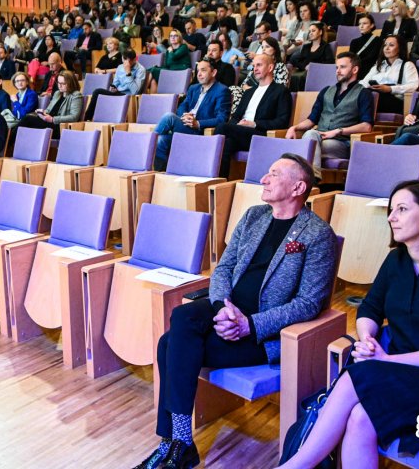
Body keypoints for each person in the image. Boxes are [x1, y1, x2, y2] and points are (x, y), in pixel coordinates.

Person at [136, 154, 338, 469]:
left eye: (274, 174)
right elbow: (224, 268)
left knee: (168, 344)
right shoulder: (253, 216)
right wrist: (220, 308)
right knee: (183, 316)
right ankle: (180, 443)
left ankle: (173, 443)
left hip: (262, 333)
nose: (264, 179)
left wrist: (250, 325)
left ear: (298, 187)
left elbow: (309, 302)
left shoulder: (316, 234)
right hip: (228, 312)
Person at [280, 180, 419, 469]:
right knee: (359, 418)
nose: (391, 217)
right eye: (392, 210)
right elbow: (370, 308)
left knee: (359, 374)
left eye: (402, 209)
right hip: (400, 372)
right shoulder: (397, 260)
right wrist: (367, 338)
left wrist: (386, 359)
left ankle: (294, 466)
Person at [286, 52, 374, 176]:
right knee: (310, 136)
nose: (338, 71)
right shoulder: (326, 91)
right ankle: (312, 178)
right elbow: (312, 120)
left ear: (355, 69)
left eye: (342, 67)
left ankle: (309, 178)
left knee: (305, 143)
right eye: (336, 67)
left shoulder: (364, 93)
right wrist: (294, 127)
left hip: (341, 143)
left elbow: (367, 126)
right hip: (319, 138)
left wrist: (339, 131)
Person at [214, 53, 292, 178]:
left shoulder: (281, 91)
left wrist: (254, 124)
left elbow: (282, 121)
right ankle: (220, 181)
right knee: (227, 143)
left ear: (270, 68)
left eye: (259, 65)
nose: (254, 69)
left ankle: (210, 174)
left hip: (261, 134)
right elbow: (235, 117)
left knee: (222, 128)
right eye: (254, 65)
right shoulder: (249, 92)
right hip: (240, 133)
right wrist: (237, 125)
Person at [153, 57, 230, 171]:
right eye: (198, 70)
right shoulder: (194, 88)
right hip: (185, 124)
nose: (199, 74)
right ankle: (162, 172)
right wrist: (186, 115)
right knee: (161, 139)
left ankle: (146, 145)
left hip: (200, 131)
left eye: (203, 70)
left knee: (168, 117)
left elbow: (222, 119)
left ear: (213, 72)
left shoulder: (222, 90)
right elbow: (183, 106)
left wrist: (197, 123)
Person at [17, 70, 83, 139]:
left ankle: (9, 142)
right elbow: (49, 110)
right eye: (58, 83)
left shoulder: (76, 95)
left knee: (28, 119)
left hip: (60, 127)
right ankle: (11, 142)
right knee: (27, 121)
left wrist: (52, 119)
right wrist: (43, 112)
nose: (59, 86)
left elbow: (74, 117)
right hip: (49, 123)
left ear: (70, 83)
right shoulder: (57, 93)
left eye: (63, 83)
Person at [361, 35, 418, 115]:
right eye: (385, 45)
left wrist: (390, 89)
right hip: (375, 95)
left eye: (391, 45)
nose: (386, 48)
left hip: (395, 101)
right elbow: (364, 81)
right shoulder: (379, 65)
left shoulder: (407, 65)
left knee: (367, 97)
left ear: (400, 48)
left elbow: (413, 86)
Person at [83, 49, 146, 121]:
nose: (127, 63)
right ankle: (87, 119)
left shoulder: (141, 70)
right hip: (118, 93)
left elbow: (135, 91)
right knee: (97, 92)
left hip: (129, 95)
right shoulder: (120, 67)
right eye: (125, 60)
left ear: (135, 59)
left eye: (130, 61)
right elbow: (115, 84)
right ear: (122, 58)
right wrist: (113, 88)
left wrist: (128, 73)